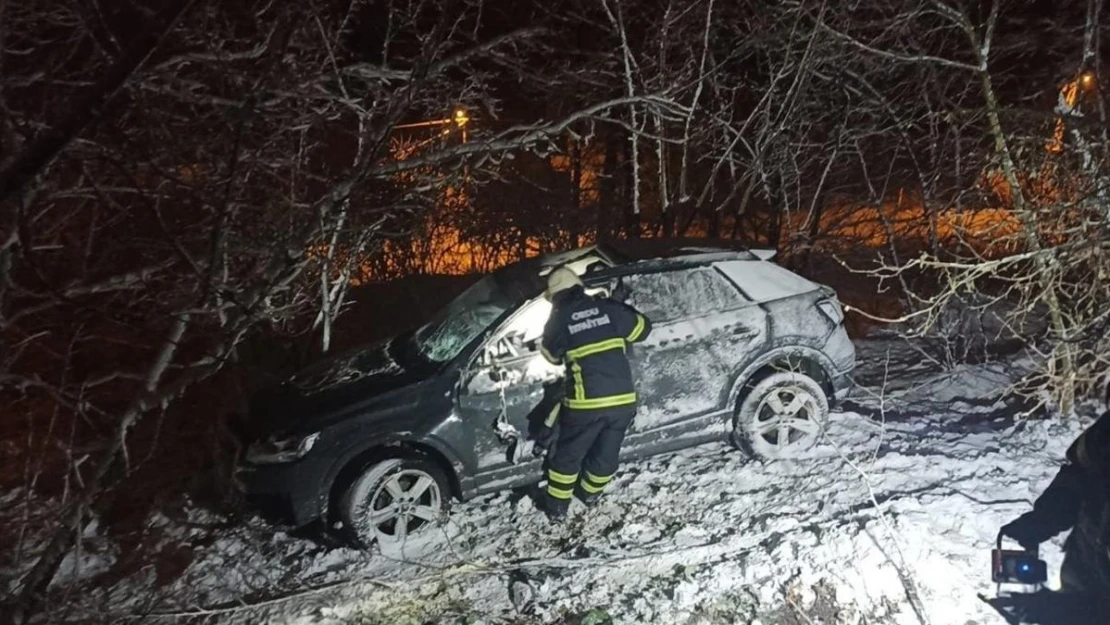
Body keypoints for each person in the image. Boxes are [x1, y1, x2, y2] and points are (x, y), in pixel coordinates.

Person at [533, 267, 652, 521]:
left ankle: (556, 508)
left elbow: (550, 356)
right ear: (578, 286)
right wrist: (620, 306)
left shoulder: (558, 320)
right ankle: (589, 494)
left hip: (585, 404)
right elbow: (643, 329)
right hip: (622, 401)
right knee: (607, 454)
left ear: (554, 297)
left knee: (567, 457)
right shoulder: (608, 308)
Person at [997, 411, 1110, 623]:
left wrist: (1075, 612)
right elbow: (1080, 471)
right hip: (1082, 573)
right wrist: (1048, 515)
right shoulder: (1106, 431)